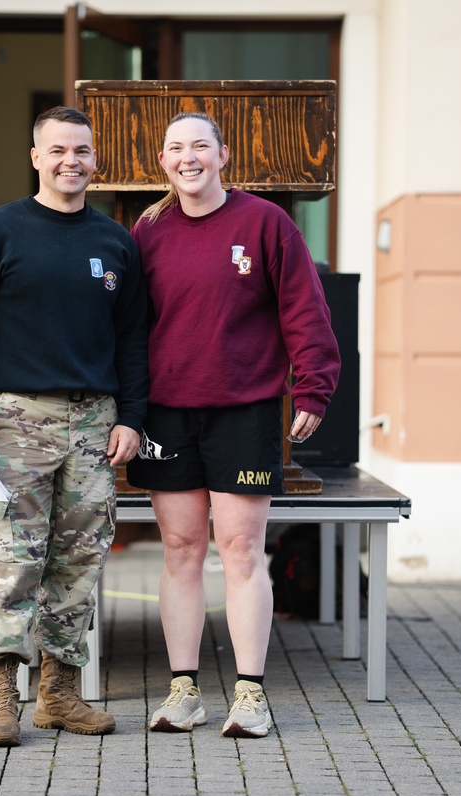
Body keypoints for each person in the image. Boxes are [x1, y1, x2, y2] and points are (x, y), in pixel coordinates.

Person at [0, 106, 148, 748]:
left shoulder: (115, 243)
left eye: (81, 151)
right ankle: (1, 699)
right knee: (9, 560)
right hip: (13, 421)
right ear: (35, 156)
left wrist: (132, 418)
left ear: (94, 160)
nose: (69, 161)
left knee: (78, 560)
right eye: (57, 150)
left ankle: (58, 695)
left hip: (94, 422)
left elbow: (133, 340)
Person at [126, 112, 340, 738]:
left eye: (200, 145)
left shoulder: (266, 222)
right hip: (167, 411)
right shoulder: (147, 230)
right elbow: (129, 327)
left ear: (223, 155)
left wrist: (314, 386)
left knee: (241, 549)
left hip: (245, 408)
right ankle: (184, 692)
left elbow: (306, 310)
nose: (187, 157)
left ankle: (250, 695)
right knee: (181, 549)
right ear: (162, 162)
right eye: (174, 148)